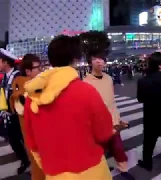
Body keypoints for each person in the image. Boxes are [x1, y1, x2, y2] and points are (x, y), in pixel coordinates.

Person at [23, 35, 114, 179]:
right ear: (75, 59)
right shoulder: (86, 91)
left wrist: (48, 166)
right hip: (91, 170)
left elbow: (32, 143)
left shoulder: (32, 97)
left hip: (54, 173)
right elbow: (104, 132)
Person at [83, 51, 134, 180]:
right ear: (90, 62)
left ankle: (123, 169)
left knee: (118, 147)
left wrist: (118, 119)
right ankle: (102, 168)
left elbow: (112, 101)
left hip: (113, 120)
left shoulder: (108, 78)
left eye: (101, 59)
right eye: (95, 59)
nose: (99, 61)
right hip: (98, 123)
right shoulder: (86, 82)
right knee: (99, 150)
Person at [9, 54, 44, 180]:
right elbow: (21, 109)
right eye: (38, 67)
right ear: (28, 71)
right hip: (36, 139)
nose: (41, 70)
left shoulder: (39, 84)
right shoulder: (22, 90)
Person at [0, 48, 30, 174]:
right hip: (10, 116)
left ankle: (30, 161)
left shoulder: (18, 77)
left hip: (20, 116)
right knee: (14, 141)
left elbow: (23, 96)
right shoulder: (5, 78)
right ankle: (25, 159)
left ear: (6, 62)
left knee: (25, 140)